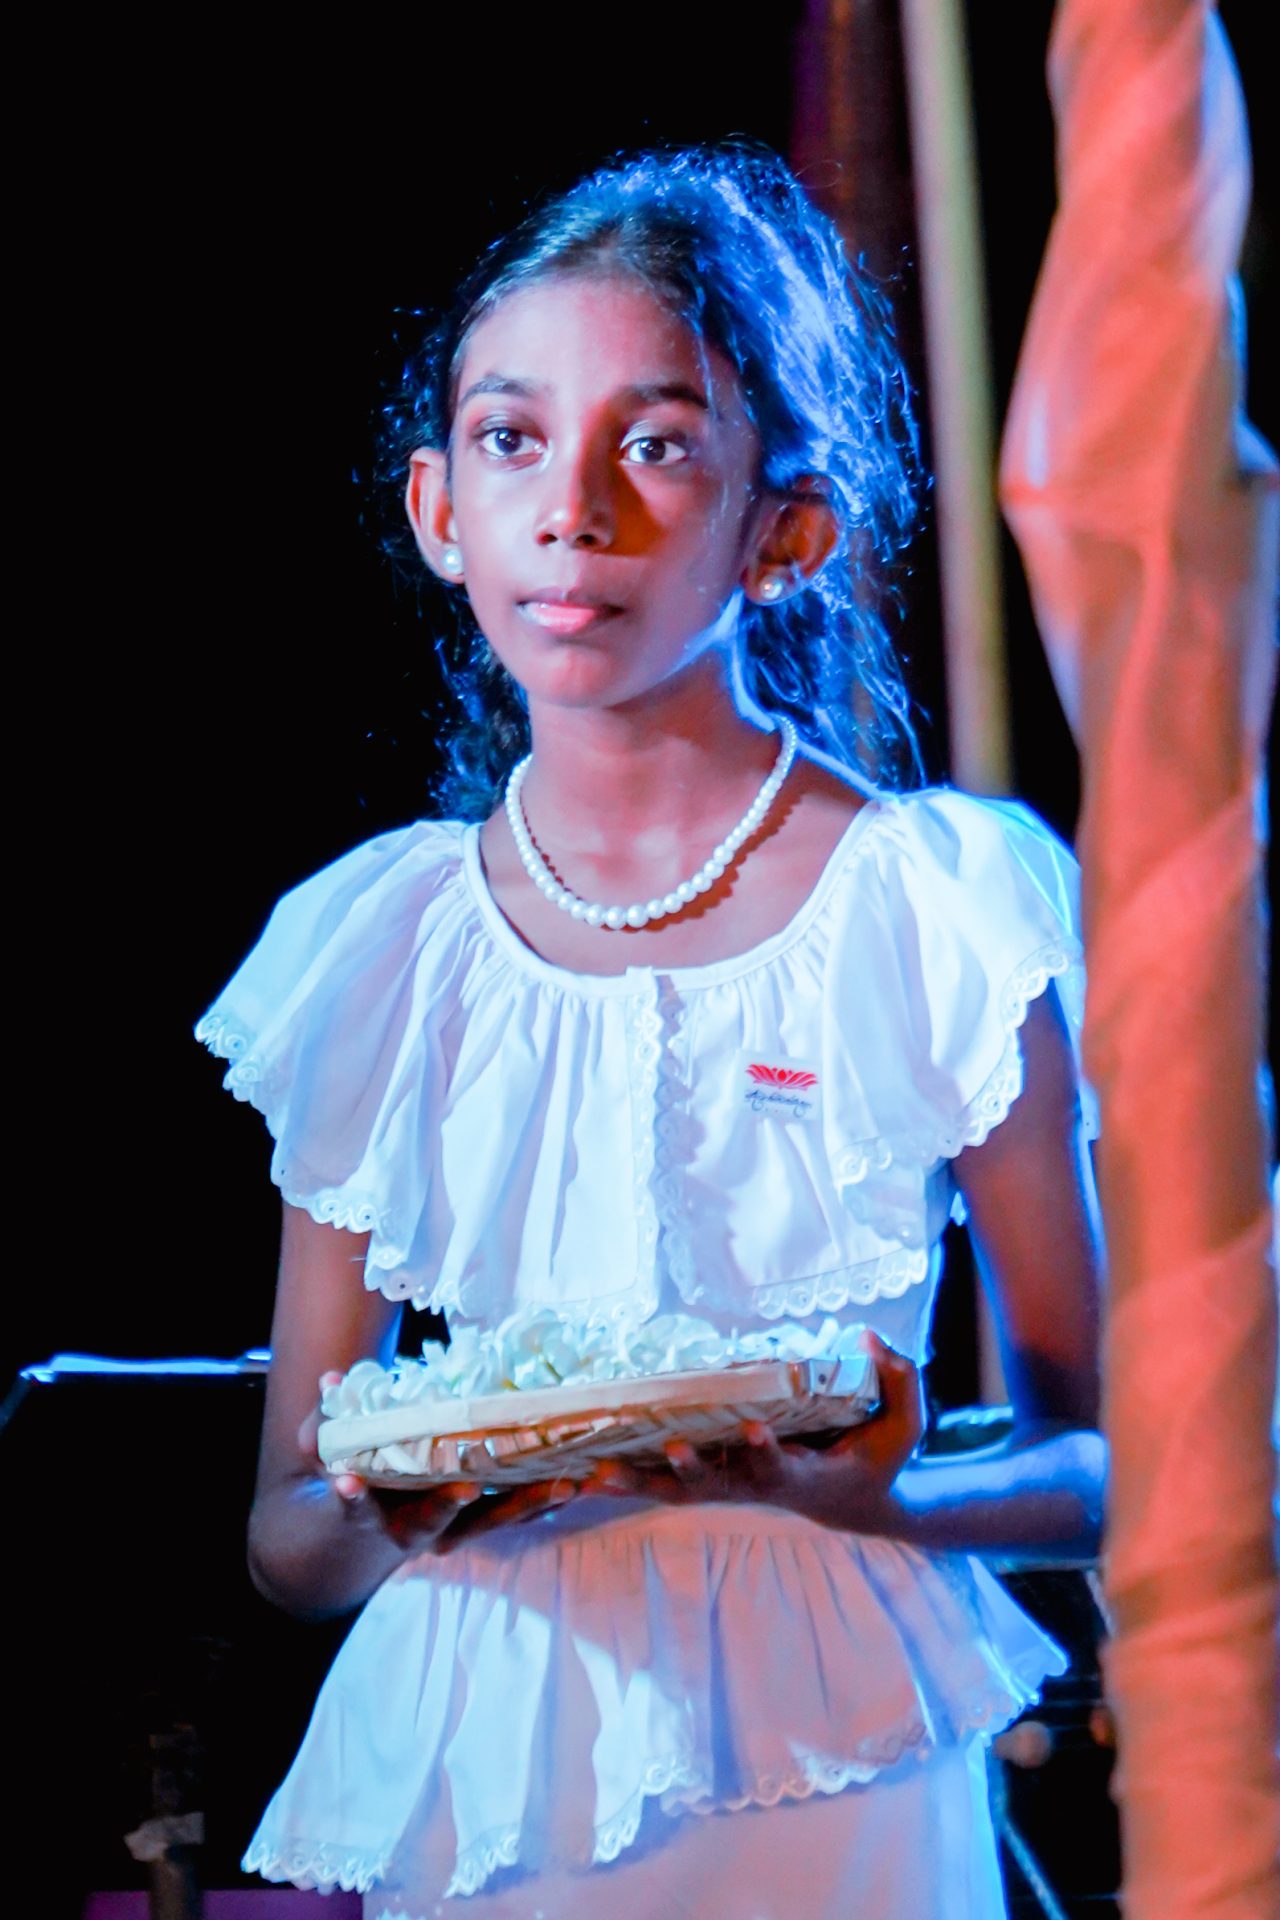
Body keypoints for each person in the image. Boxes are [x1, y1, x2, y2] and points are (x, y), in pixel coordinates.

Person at [197, 142, 1105, 1920]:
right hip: (487, 1766)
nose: (574, 509)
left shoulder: (935, 908)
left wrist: (887, 1503)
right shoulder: (386, 950)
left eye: (660, 445)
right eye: (512, 439)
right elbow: (288, 1538)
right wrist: (399, 1497)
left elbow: (1113, 1470)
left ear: (786, 530)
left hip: (837, 1756)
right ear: (438, 508)